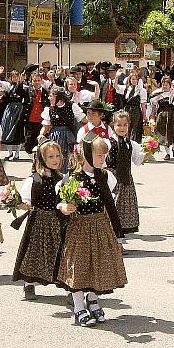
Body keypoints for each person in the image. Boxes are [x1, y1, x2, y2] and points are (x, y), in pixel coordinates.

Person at [56, 132, 127, 327]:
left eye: (104, 156)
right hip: (79, 227)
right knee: (79, 265)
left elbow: (110, 203)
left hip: (100, 225)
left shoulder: (104, 176)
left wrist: (117, 231)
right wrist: (65, 207)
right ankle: (79, 307)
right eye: (99, 156)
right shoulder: (72, 178)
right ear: (86, 154)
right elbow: (60, 202)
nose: (103, 159)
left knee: (98, 263)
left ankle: (93, 300)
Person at [12, 140, 66, 300]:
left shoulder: (63, 179)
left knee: (60, 253)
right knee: (34, 252)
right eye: (50, 157)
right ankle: (29, 283)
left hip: (58, 221)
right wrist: (22, 204)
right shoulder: (34, 180)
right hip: (39, 222)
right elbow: (26, 201)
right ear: (42, 159)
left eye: (57, 156)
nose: (55, 159)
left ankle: (68, 287)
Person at [106, 111, 151, 236]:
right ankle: (113, 240)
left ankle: (119, 239)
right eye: (118, 125)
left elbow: (138, 160)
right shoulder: (108, 143)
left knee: (123, 210)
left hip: (125, 179)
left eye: (125, 125)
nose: (122, 128)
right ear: (113, 126)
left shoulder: (131, 144)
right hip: (112, 179)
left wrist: (151, 150)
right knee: (112, 208)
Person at [40, 87, 85, 173]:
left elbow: (84, 119)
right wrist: (41, 134)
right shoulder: (49, 109)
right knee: (57, 156)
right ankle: (56, 176)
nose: (49, 98)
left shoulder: (72, 106)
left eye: (51, 96)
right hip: (55, 137)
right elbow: (45, 126)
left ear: (58, 97)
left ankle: (69, 178)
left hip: (69, 137)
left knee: (69, 158)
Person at [0, 66, 28, 161]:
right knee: (7, 129)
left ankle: (17, 153)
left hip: (18, 109)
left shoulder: (24, 86)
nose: (15, 78)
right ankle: (10, 153)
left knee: (17, 130)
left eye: (16, 76)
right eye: (13, 77)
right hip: (9, 109)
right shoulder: (8, 86)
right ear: (10, 78)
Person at [151, 76, 174, 160]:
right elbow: (153, 104)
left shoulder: (173, 93)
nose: (164, 86)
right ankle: (168, 153)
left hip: (171, 115)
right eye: (163, 84)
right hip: (161, 116)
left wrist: (173, 91)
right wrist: (152, 115)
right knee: (163, 135)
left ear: (169, 85)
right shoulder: (158, 94)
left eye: (166, 85)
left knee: (173, 133)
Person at [117, 72, 147, 143]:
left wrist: (144, 115)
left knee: (135, 128)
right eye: (132, 79)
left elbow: (143, 104)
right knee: (127, 127)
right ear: (130, 80)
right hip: (127, 110)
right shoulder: (126, 88)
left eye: (135, 79)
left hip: (136, 111)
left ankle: (134, 144)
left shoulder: (141, 90)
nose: (134, 81)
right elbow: (116, 86)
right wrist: (117, 76)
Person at [23, 72, 50, 153]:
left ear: (41, 81)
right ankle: (31, 156)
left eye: (38, 80)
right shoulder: (27, 91)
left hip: (41, 120)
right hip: (30, 119)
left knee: (41, 140)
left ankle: (39, 157)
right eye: (35, 80)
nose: (37, 82)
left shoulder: (46, 92)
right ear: (32, 81)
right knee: (29, 139)